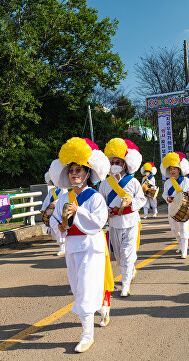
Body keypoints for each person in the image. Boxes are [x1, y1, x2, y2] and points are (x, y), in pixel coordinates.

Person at [48, 137, 112, 353]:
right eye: (71, 170)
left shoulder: (94, 196)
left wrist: (80, 212)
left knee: (84, 288)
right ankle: (103, 306)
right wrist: (59, 227)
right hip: (73, 246)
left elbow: (99, 222)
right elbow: (55, 220)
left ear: (87, 173)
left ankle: (87, 335)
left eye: (78, 170)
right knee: (77, 288)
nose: (74, 173)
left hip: (91, 247)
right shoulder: (65, 196)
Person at [99, 138, 146, 297]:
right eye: (112, 161)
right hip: (113, 223)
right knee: (119, 256)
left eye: (117, 161)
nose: (114, 164)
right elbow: (100, 201)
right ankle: (130, 269)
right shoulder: (105, 183)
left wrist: (131, 201)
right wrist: (106, 210)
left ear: (125, 163)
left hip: (131, 222)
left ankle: (125, 285)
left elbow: (142, 199)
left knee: (126, 253)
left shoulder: (133, 181)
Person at [161, 152, 189, 258]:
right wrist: (167, 198)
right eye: (170, 169)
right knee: (175, 230)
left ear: (179, 169)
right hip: (172, 208)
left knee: (184, 229)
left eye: (174, 169)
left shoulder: (185, 180)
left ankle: (184, 251)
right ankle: (181, 246)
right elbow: (164, 194)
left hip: (184, 208)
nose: (172, 171)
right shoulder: (167, 183)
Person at [40, 170, 67, 256]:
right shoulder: (51, 191)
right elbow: (46, 201)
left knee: (60, 228)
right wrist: (43, 209)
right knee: (55, 229)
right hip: (53, 214)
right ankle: (63, 245)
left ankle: (62, 247)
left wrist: (56, 202)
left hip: (60, 212)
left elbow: (64, 199)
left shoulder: (64, 189)